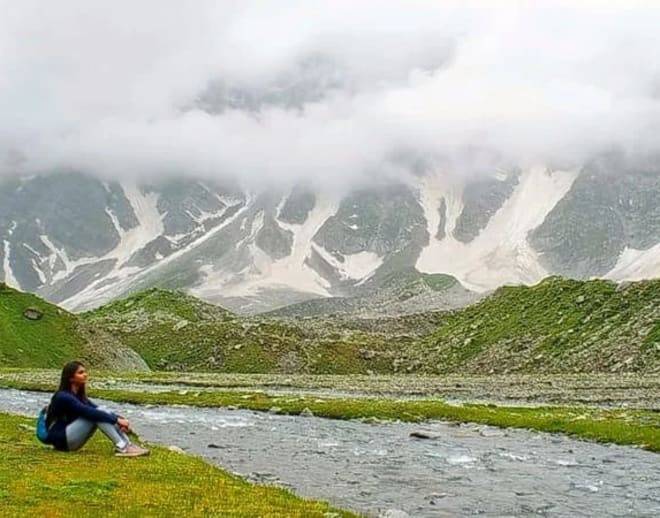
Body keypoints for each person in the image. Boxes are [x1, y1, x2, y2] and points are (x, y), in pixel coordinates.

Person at [44, 360, 149, 457]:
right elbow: (88, 411)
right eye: (80, 373)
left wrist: (120, 419)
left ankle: (127, 445)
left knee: (101, 410)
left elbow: (95, 408)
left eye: (85, 372)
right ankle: (122, 447)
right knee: (96, 414)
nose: (85, 375)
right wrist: (117, 420)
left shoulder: (78, 396)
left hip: (69, 438)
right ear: (70, 378)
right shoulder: (63, 397)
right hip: (62, 440)